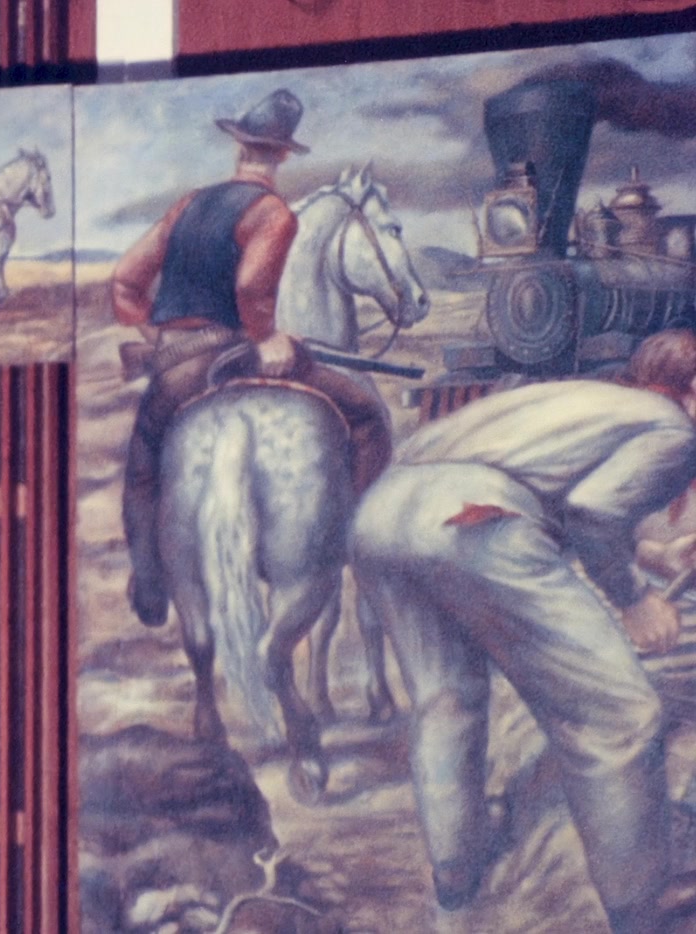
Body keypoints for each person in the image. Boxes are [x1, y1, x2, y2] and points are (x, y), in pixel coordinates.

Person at [349, 328, 696, 932]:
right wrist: (634, 599)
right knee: (620, 715)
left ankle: (456, 878)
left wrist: (653, 557)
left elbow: (554, 500)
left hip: (380, 518)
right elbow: (591, 512)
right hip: (472, 525)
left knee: (447, 701)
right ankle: (641, 904)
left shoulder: (589, 401)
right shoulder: (673, 428)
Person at [111, 88, 391, 626]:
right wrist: (265, 338)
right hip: (236, 356)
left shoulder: (186, 206)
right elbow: (251, 289)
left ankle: (149, 581)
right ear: (283, 153)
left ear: (239, 146)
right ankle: (358, 544)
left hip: (176, 368)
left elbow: (125, 279)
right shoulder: (273, 214)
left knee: (144, 464)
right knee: (365, 416)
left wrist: (159, 331)